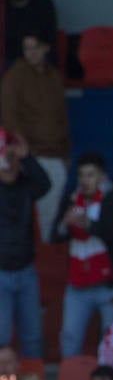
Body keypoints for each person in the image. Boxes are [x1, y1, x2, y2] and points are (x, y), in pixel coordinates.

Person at [56, 153, 113, 357]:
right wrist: (65, 223)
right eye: (81, 176)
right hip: (77, 283)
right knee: (70, 336)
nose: (85, 181)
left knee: (110, 337)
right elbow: (54, 235)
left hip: (107, 283)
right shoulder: (71, 199)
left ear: (102, 177)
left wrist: (87, 223)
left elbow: (112, 234)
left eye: (91, 175)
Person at [1, 32, 67, 241]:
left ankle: (46, 252)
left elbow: (62, 118)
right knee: (28, 215)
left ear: (46, 48)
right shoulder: (15, 75)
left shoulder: (54, 76)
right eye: (26, 48)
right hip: (30, 156)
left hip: (55, 154)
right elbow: (8, 115)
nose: (30, 53)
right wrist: (21, 153)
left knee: (51, 217)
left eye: (35, 47)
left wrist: (66, 153)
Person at [0, 130, 49, 357]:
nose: (8, 163)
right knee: (1, 336)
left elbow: (45, 184)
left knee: (32, 337)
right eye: (3, 157)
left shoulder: (26, 185)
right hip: (1, 274)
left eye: (11, 158)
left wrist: (26, 156)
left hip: (26, 271)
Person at [2, 0, 56, 66]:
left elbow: (50, 40)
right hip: (9, 63)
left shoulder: (43, 5)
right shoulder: (2, 7)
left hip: (38, 60)